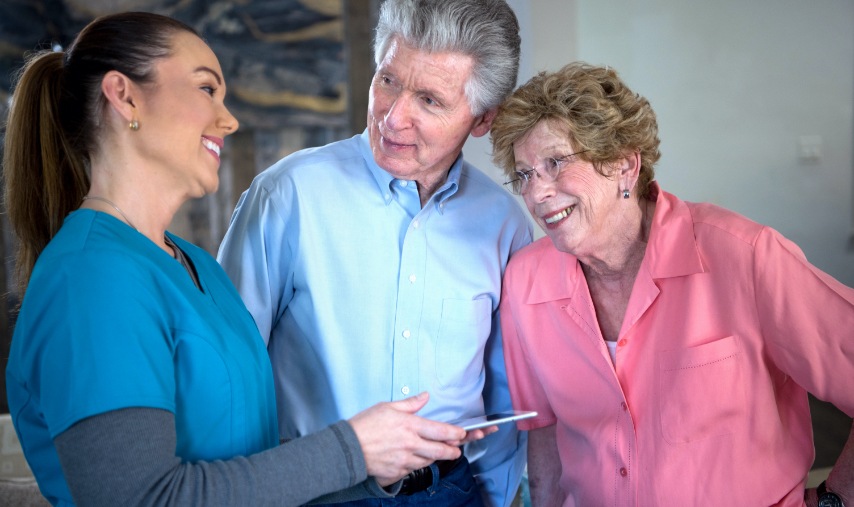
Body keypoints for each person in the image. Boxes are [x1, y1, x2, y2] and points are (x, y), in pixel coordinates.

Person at [3, 12, 487, 507]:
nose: (229, 119)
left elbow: (249, 464)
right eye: (206, 89)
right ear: (124, 96)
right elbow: (142, 498)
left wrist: (377, 471)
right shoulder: (91, 279)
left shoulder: (194, 264)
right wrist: (353, 449)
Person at [489, 61, 854, 506]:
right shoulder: (526, 283)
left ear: (624, 164)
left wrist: (836, 499)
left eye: (555, 163)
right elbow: (544, 431)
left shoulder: (743, 256)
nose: (537, 193)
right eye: (525, 175)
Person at [216, 0, 532, 505]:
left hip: (453, 492)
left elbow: (505, 397)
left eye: (429, 100)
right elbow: (225, 378)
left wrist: (491, 499)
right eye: (388, 80)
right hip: (316, 493)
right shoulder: (288, 195)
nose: (394, 115)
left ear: (482, 119)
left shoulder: (504, 224)